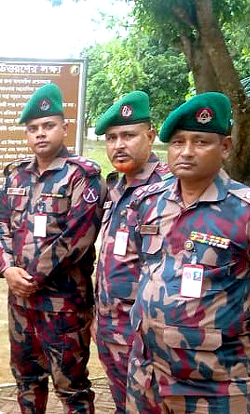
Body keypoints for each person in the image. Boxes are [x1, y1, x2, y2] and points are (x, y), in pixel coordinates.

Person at [125, 92, 250, 413]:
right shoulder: (148, 203)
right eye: (178, 142)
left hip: (214, 384)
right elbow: (144, 268)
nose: (186, 152)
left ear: (224, 147)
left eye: (200, 142)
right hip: (147, 377)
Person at [0, 84, 102, 414]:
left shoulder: (82, 175)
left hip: (64, 303)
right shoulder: (16, 175)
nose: (40, 134)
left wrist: (33, 276)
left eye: (48, 126)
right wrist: (7, 269)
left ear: (64, 128)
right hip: (20, 302)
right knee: (27, 380)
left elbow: (77, 237)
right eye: (33, 129)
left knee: (72, 388)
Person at [91, 91, 172, 413]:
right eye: (112, 138)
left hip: (148, 336)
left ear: (150, 136)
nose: (118, 145)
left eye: (129, 135)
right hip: (111, 329)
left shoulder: (171, 188)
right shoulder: (114, 187)